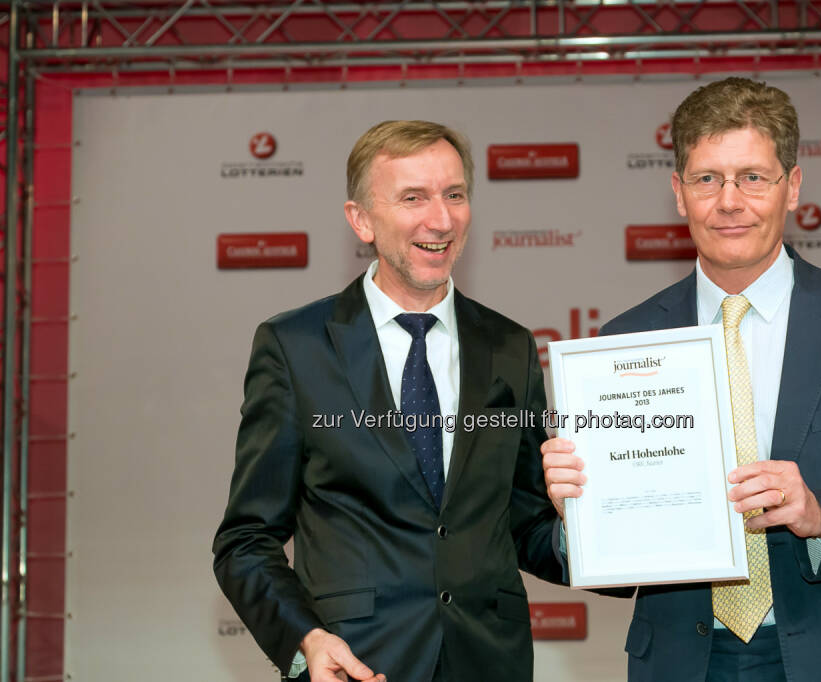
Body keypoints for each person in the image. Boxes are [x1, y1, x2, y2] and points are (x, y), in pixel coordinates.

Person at [542, 78, 821, 682]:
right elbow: (600, 557)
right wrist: (580, 519)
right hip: (683, 663)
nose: (729, 201)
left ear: (792, 187)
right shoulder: (620, 346)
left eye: (752, 177)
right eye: (706, 179)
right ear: (678, 192)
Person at [214, 120, 562, 682]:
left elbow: (523, 524)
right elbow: (245, 539)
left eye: (454, 195)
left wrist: (586, 526)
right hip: (356, 666)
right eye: (413, 198)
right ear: (361, 219)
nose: (441, 219)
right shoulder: (295, 348)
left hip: (489, 664)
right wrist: (306, 640)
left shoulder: (509, 346)